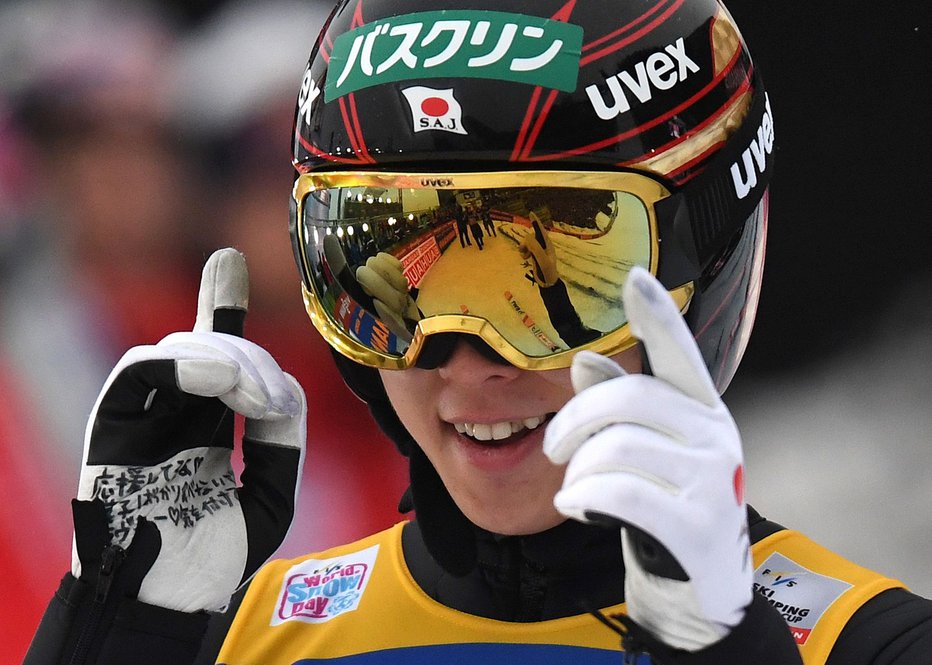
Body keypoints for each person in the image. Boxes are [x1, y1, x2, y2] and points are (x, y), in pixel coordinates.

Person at [23, 1, 932, 664]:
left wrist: (730, 653)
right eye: (389, 271)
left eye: (552, 275)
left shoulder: (871, 641)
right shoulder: (246, 633)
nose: (467, 359)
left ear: (708, 263)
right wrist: (122, 637)